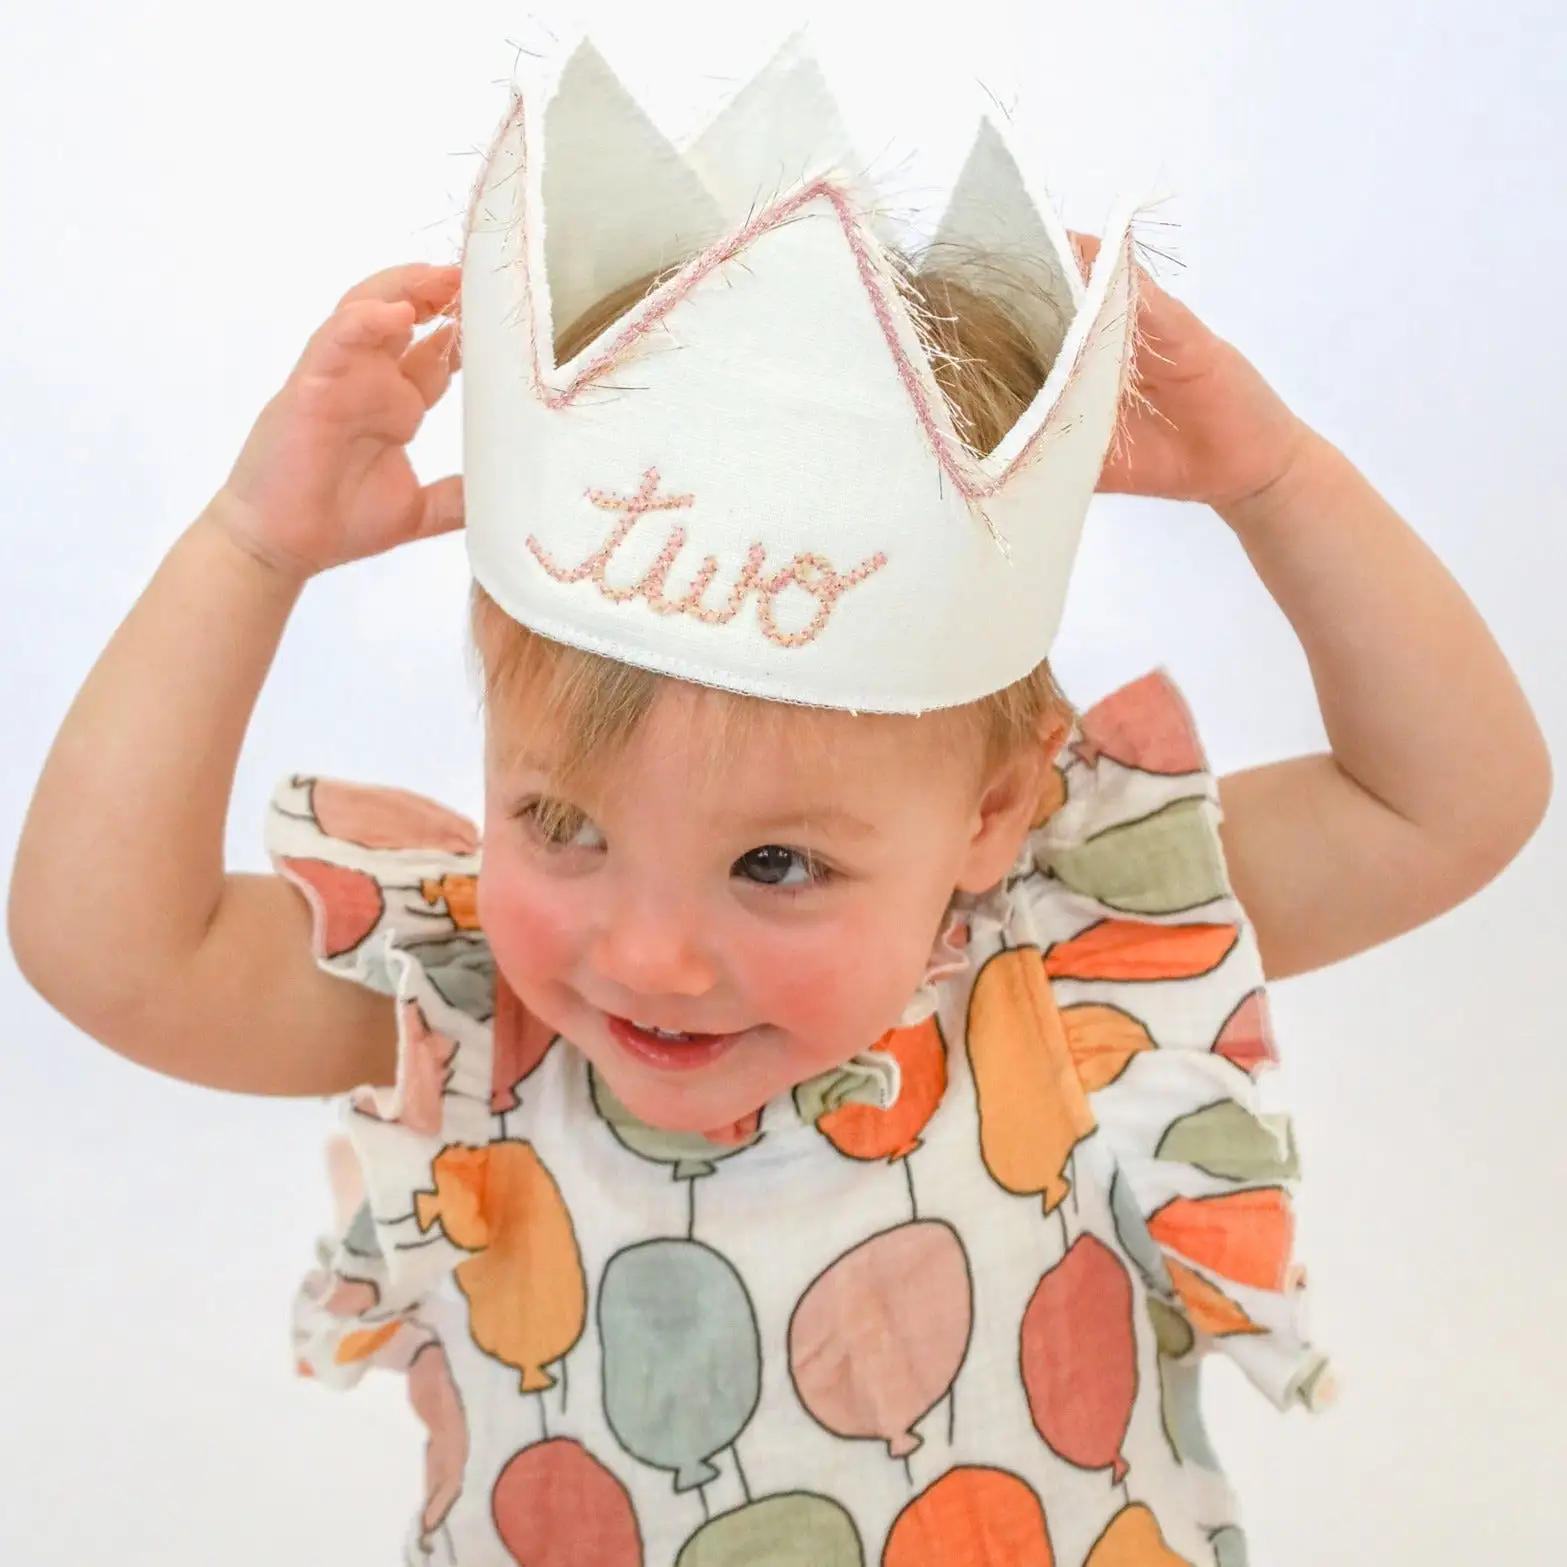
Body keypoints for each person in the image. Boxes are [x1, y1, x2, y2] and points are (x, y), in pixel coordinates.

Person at [8, 36, 1550, 1567]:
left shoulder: (1066, 962)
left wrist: (1272, 480)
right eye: (562, 825)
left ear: (989, 813)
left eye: (774, 862)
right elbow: (108, 950)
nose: (650, 954)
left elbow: (1448, 801)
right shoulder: (481, 1020)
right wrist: (246, 551)